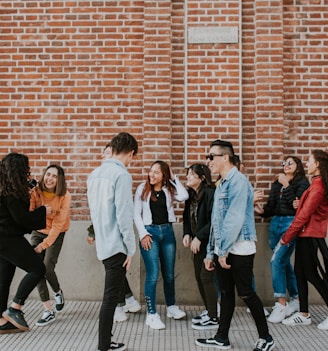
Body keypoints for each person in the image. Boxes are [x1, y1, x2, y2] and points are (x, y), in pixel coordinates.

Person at [196, 139, 275, 351]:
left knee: (247, 293)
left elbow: (234, 219)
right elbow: (216, 223)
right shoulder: (221, 183)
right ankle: (222, 337)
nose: (208, 161)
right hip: (224, 248)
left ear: (225, 157)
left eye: (211, 156)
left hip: (239, 247)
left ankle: (266, 337)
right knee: (227, 293)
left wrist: (221, 251)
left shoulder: (238, 182)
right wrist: (211, 253)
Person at [87, 132, 138, 351]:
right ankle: (104, 346)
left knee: (112, 296)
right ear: (131, 153)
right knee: (110, 299)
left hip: (103, 243)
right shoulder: (121, 175)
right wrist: (131, 248)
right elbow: (124, 215)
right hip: (117, 244)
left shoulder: (94, 174)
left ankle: (106, 342)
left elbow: (95, 212)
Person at [134, 160, 188, 330]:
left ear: (164, 175)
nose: (152, 174)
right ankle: (151, 314)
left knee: (169, 274)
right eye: (151, 171)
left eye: (157, 172)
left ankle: (171, 307)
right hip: (150, 233)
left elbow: (184, 196)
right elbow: (136, 213)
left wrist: (174, 178)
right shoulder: (142, 188)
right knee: (153, 274)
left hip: (168, 233)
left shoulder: (169, 188)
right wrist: (143, 235)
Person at [0, 152, 51, 334]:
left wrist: (28, 190)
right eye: (25, 169)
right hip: (8, 239)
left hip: (4, 239)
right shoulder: (10, 193)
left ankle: (1, 321)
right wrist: (44, 211)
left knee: (3, 279)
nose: (27, 173)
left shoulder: (5, 187)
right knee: (38, 269)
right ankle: (15, 308)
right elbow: (21, 218)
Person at [255, 156, 309, 323]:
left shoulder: (302, 183)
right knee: (283, 262)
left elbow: (297, 206)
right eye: (284, 163)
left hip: (290, 223)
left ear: (298, 166)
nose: (286, 165)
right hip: (275, 223)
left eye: (290, 163)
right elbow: (272, 205)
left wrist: (286, 184)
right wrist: (262, 211)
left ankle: (281, 303)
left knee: (276, 261)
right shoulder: (277, 183)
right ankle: (296, 298)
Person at [281, 150, 328, 330]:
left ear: (317, 165)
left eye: (309, 161)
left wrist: (286, 237)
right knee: (299, 272)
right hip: (305, 234)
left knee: (311, 274)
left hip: (311, 235)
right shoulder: (315, 184)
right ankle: (304, 313)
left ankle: (306, 312)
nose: (307, 164)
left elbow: (303, 216)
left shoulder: (317, 187)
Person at [29, 164, 71, 326]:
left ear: (59, 180)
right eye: (48, 174)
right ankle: (48, 309)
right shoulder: (36, 191)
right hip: (38, 230)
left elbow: (58, 225)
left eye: (54, 176)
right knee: (36, 268)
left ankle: (57, 292)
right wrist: (29, 196)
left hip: (56, 232)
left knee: (47, 268)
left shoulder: (64, 196)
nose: (50, 178)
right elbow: (30, 212)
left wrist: (43, 245)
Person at [182, 164, 219, 330]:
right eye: (188, 174)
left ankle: (214, 317)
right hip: (197, 244)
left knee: (206, 277)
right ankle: (210, 310)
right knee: (199, 277)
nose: (188, 177)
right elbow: (186, 217)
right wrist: (187, 233)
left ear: (202, 178)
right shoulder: (191, 195)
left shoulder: (211, 194)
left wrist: (199, 236)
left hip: (209, 243)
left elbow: (215, 221)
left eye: (191, 174)